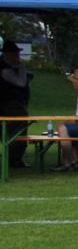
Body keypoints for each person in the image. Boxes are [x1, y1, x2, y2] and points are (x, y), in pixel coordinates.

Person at [0, 38, 31, 168]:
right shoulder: (5, 70)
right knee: (18, 131)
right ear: (9, 55)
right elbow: (21, 83)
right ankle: (14, 159)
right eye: (16, 54)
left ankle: (15, 157)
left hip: (14, 104)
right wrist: (22, 69)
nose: (18, 56)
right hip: (10, 105)